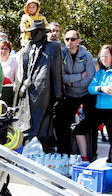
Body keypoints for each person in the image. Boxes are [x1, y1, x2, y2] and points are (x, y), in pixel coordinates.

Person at [14, 19, 62, 151]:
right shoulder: (27, 48)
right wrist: (22, 83)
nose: (32, 35)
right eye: (31, 32)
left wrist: (58, 95)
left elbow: (57, 72)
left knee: (41, 124)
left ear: (42, 32)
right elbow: (22, 69)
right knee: (26, 123)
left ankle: (43, 150)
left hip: (43, 90)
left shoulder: (53, 47)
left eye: (35, 32)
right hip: (27, 90)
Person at [75, 45, 112, 162]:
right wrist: (101, 88)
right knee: (78, 130)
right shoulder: (100, 72)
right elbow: (91, 89)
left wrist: (99, 88)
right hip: (98, 110)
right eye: (101, 56)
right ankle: (85, 159)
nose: (104, 59)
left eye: (106, 56)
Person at [56, 30, 95, 155]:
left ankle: (91, 153)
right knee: (62, 123)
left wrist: (72, 81)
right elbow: (62, 77)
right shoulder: (62, 54)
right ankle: (65, 154)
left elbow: (90, 76)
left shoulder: (86, 55)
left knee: (91, 123)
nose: (69, 42)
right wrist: (79, 76)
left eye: (73, 39)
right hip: (70, 94)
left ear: (79, 40)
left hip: (86, 93)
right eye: (67, 39)